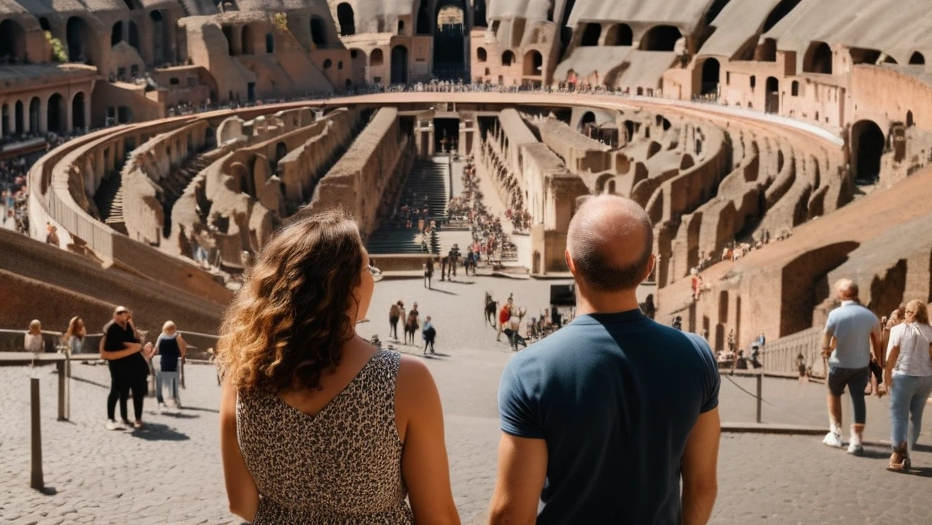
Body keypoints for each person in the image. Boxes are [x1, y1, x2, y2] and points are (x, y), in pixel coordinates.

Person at [488, 196, 720, 525]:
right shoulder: (697, 356)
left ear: (571, 262)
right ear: (649, 267)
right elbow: (702, 484)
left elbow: (510, 514)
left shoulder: (529, 372)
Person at [219, 210, 459, 524]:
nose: (373, 275)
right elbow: (437, 516)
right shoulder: (405, 380)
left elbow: (241, 503)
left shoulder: (241, 378)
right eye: (367, 266)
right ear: (346, 286)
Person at [883, 300, 932, 471]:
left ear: (909, 313)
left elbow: (892, 356)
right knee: (916, 417)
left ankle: (897, 452)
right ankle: (906, 448)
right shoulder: (930, 331)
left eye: (907, 311)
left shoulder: (898, 330)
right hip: (925, 380)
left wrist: (887, 378)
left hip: (903, 377)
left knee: (899, 416)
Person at [820, 279, 881, 455]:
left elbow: (827, 336)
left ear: (840, 294)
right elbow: (876, 341)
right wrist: (879, 360)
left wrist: (825, 352)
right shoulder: (870, 316)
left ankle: (836, 433)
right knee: (858, 400)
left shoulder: (836, 315)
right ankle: (856, 440)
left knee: (833, 395)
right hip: (860, 365)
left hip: (839, 364)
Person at [99, 306, 145, 430]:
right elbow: (114, 346)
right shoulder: (111, 328)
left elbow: (136, 339)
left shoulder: (128, 326)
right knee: (116, 390)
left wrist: (132, 324)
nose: (123, 315)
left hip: (130, 363)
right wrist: (133, 346)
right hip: (116, 363)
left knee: (131, 390)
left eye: (125, 313)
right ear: (115, 315)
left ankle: (131, 418)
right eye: (120, 313)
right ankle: (111, 418)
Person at [155, 321, 187, 409]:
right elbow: (184, 345)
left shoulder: (162, 336)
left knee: (165, 380)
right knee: (174, 379)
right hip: (172, 360)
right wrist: (183, 355)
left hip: (164, 360)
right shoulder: (176, 336)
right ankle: (174, 399)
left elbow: (157, 348)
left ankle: (165, 399)